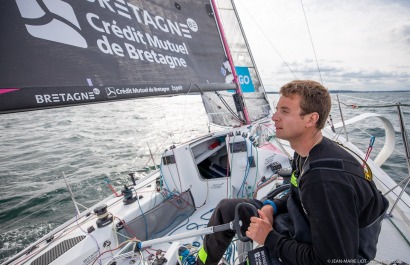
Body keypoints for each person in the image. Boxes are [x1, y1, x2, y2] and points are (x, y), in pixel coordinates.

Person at [197, 80, 388, 265]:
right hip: (303, 223)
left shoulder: (324, 181)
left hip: (335, 253)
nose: (274, 117)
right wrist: (272, 206)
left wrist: (269, 238)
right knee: (227, 209)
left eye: (285, 111)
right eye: (277, 109)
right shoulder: (305, 153)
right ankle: (202, 263)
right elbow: (295, 194)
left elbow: (333, 260)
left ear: (311, 119)